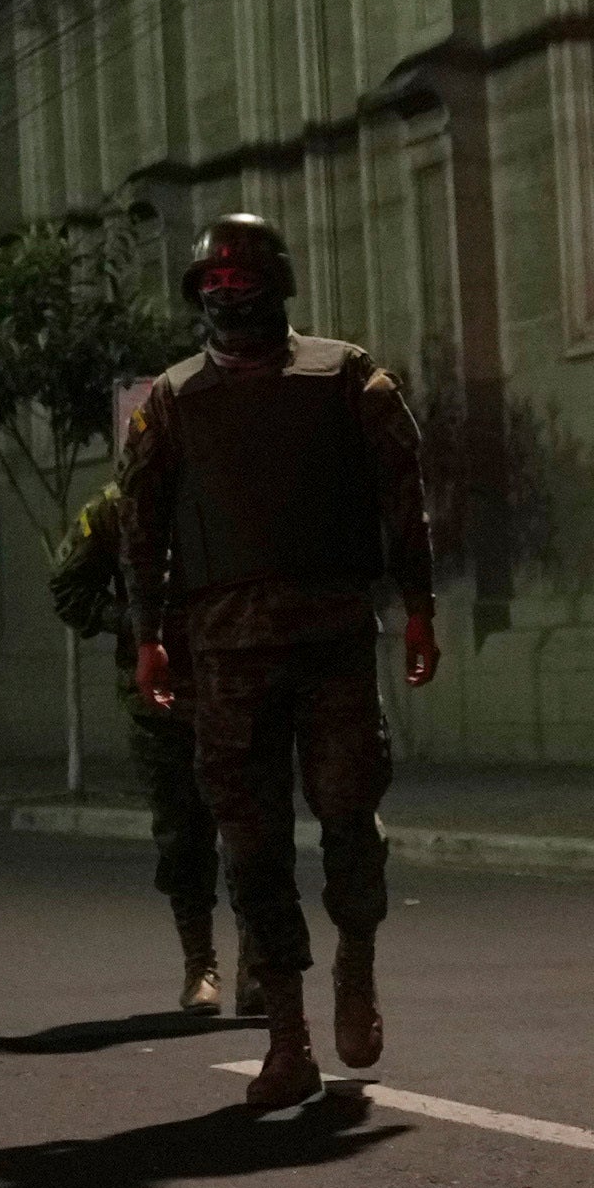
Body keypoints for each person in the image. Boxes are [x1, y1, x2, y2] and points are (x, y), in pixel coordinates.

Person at [119, 214, 435, 1112]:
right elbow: (142, 529)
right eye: (210, 284)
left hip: (333, 638)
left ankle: (358, 966)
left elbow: (404, 496)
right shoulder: (174, 400)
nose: (226, 294)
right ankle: (287, 1036)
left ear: (278, 282)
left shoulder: (343, 376)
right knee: (250, 848)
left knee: (348, 819)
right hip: (226, 657)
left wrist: (420, 607)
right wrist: (149, 635)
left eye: (240, 278)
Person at [48, 468, 221, 1014]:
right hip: (161, 696)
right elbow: (67, 588)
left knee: (255, 830)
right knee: (182, 833)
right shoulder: (113, 509)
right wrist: (130, 621)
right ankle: (201, 965)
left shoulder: (232, 486)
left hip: (239, 681)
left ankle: (263, 962)